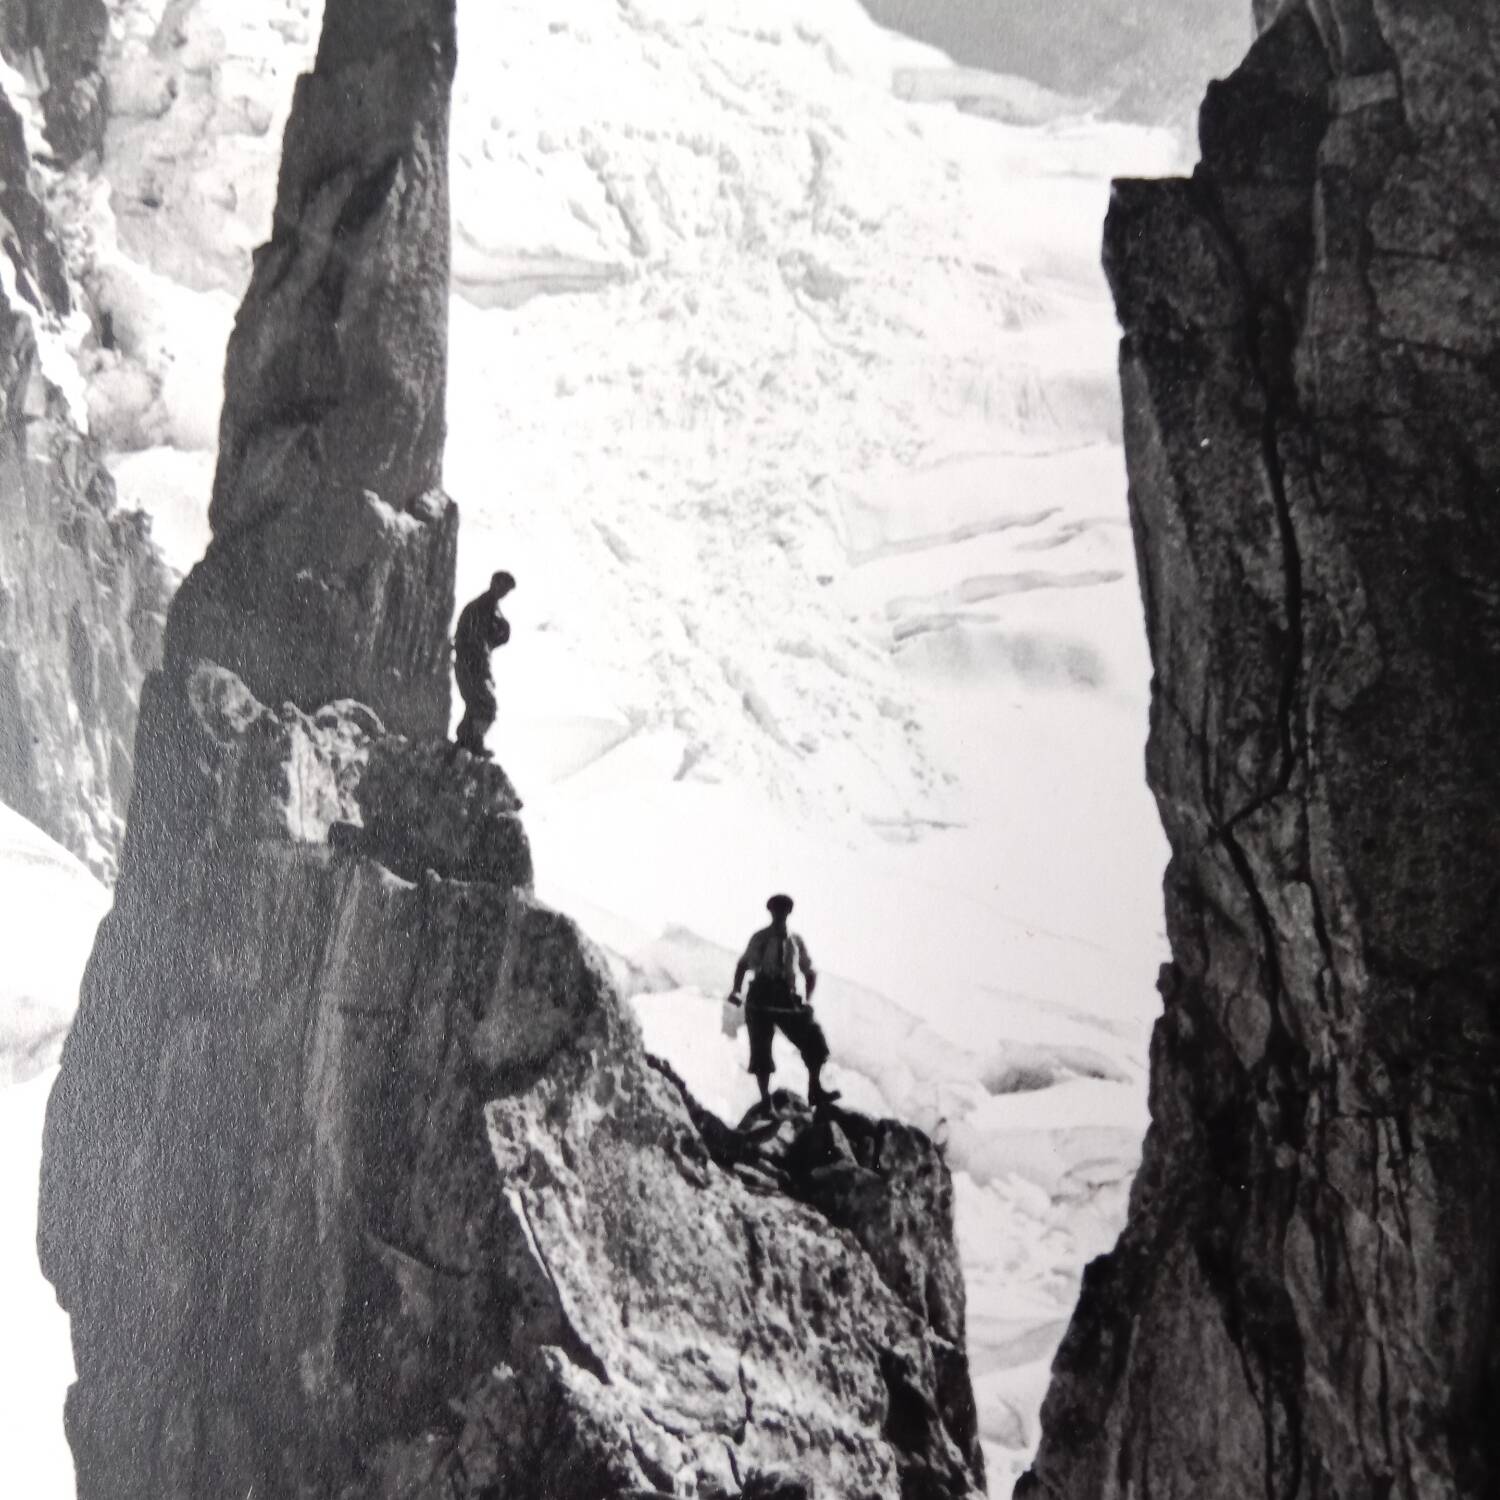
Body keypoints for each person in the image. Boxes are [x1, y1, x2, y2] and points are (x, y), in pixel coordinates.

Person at [728, 894, 837, 1107]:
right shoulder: (760, 938)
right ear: (771, 913)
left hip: (786, 997)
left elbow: (810, 973)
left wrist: (806, 1000)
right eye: (776, 911)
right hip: (760, 995)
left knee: (814, 1039)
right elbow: (743, 965)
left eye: (783, 911)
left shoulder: (795, 942)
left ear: (789, 913)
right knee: (761, 1050)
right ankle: (765, 1101)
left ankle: (815, 1090)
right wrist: (736, 992)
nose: (780, 916)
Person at [453, 570, 515, 757]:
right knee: (486, 706)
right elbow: (475, 641)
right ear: (494, 584)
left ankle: (468, 745)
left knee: (477, 706)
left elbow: (488, 641)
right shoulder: (481, 608)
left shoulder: (489, 609)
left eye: (506, 590)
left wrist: (503, 631)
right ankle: (468, 745)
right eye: (502, 587)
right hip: (471, 666)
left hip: (473, 666)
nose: (503, 592)